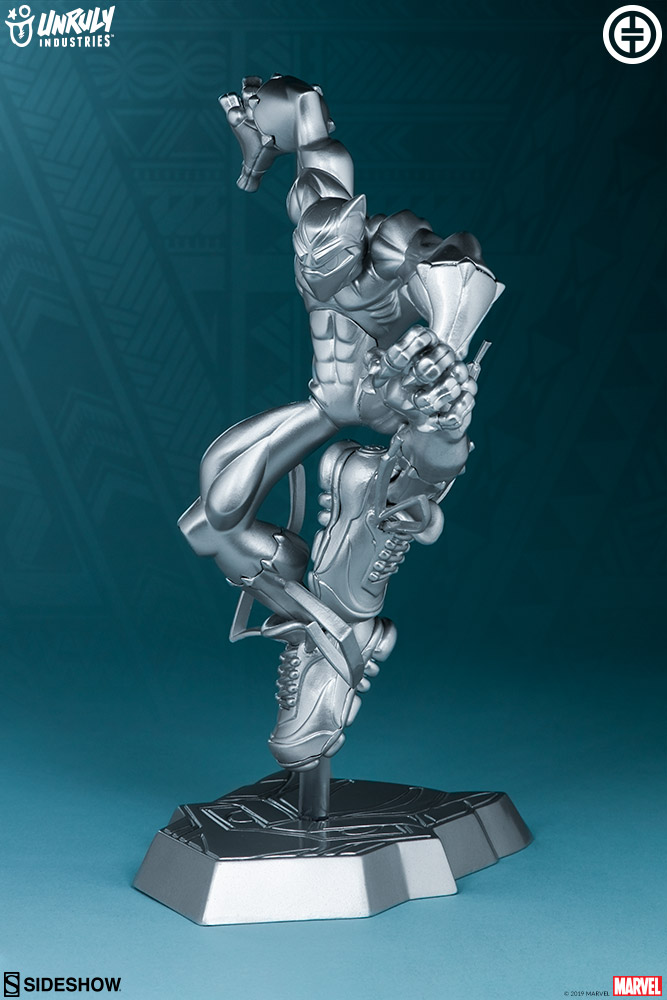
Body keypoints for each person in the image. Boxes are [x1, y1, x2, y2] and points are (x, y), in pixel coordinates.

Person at [179, 75, 504, 772]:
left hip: (396, 397)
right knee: (211, 517)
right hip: (328, 401)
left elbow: (462, 266)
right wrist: (259, 136)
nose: (316, 272)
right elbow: (313, 130)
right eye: (308, 257)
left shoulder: (393, 250)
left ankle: (347, 615)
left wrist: (443, 353)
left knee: (398, 478)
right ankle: (316, 621)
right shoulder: (315, 206)